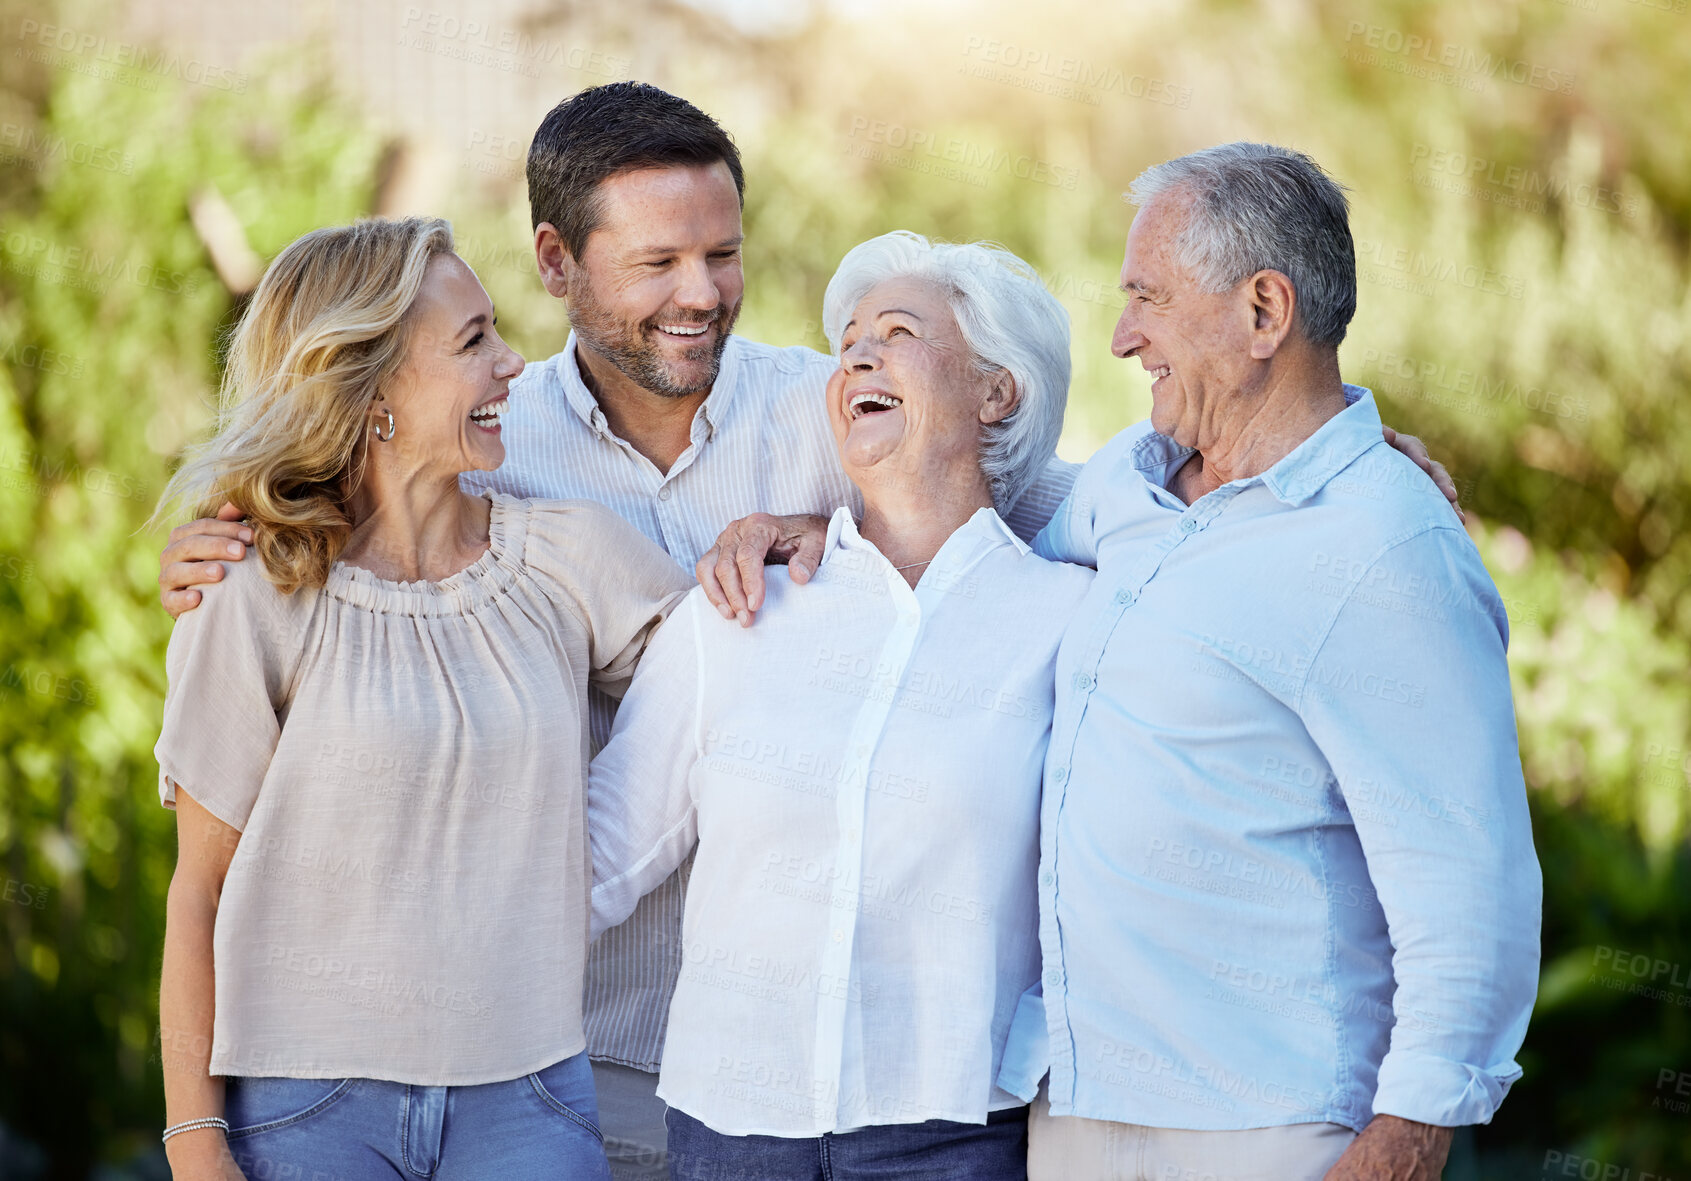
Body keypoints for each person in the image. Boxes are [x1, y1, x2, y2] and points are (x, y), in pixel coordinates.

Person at [152, 83, 1457, 1178]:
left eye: (720, 253)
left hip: (840, 1089)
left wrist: (1324, 454)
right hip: (563, 1060)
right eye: (655, 262)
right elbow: (352, 506)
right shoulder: (493, 439)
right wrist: (233, 531)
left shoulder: (816, 413)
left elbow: (1036, 494)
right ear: (554, 263)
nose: (702, 293)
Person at [1011, 144, 1540, 1179]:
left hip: (1266, 1130)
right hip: (1074, 1111)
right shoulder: (1126, 480)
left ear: (1263, 312)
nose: (1123, 337)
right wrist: (796, 520)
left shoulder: (1389, 546)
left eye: (1148, 298)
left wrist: (1404, 1137)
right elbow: (971, 513)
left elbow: (1465, 877)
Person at [152, 216, 689, 1180]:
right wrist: (195, 1145)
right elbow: (197, 892)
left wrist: (784, 535)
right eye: (474, 341)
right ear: (377, 391)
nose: (513, 363)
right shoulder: (251, 593)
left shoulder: (567, 558)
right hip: (302, 1106)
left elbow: (738, 666)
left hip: (527, 1096)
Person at [588, 231, 1090, 1181]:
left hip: (954, 1129)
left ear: (997, 392)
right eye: (850, 337)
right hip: (726, 1129)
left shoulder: (1069, 624)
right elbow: (594, 857)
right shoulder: (738, 607)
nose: (854, 354)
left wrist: (1364, 456)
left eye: (897, 332)